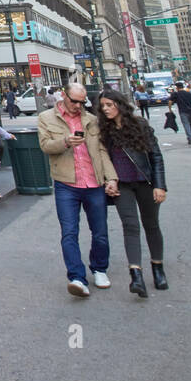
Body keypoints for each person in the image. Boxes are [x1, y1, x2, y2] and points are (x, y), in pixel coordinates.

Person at [38, 83, 119, 297]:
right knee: (69, 232)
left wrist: (111, 178)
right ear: (64, 95)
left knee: (100, 232)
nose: (78, 105)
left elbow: (101, 151)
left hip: (93, 182)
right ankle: (76, 277)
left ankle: (100, 268)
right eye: (74, 101)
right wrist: (65, 142)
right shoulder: (47, 118)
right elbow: (45, 146)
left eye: (82, 102)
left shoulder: (92, 120)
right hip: (66, 183)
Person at [96, 89, 168, 297]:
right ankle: (135, 274)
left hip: (145, 182)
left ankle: (157, 267)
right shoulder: (105, 131)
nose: (106, 109)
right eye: (103, 106)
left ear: (120, 104)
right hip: (123, 185)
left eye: (110, 105)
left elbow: (156, 157)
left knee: (151, 225)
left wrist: (160, 185)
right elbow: (104, 159)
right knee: (130, 226)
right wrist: (108, 181)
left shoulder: (140, 126)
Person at [169, 81, 191, 146]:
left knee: (186, 125)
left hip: (183, 112)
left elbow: (170, 102)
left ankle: (190, 139)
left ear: (177, 88)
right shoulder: (188, 93)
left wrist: (170, 109)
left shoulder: (175, 94)